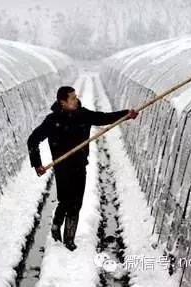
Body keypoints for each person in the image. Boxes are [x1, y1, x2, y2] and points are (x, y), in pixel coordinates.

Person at [27, 86, 138, 251]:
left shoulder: (82, 114)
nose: (76, 100)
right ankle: (56, 224)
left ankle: (69, 239)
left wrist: (126, 114)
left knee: (76, 202)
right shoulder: (52, 120)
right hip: (62, 166)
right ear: (62, 102)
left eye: (75, 96)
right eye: (72, 98)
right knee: (65, 200)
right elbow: (32, 140)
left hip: (79, 165)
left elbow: (103, 118)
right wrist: (37, 164)